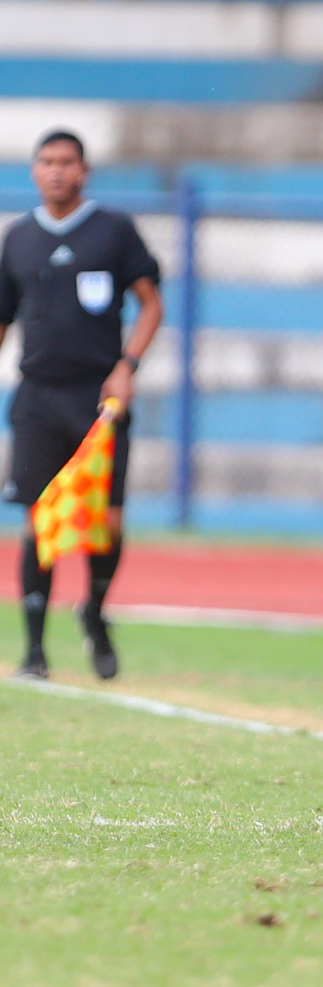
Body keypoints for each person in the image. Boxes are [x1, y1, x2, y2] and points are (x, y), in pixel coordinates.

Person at [1, 129, 162, 681]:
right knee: (39, 520)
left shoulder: (113, 231)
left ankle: (93, 611)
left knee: (107, 523)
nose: (56, 171)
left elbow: (150, 306)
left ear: (84, 170)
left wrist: (128, 365)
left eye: (66, 162)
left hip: (100, 399)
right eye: (46, 162)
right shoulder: (18, 238)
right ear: (33, 171)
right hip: (39, 397)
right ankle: (34, 651)